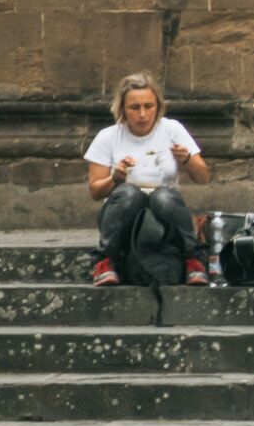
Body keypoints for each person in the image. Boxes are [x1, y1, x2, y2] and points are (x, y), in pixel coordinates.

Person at [84, 73, 211, 288]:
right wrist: (115, 178)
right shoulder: (108, 136)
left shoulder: (172, 129)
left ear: (158, 106)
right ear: (122, 109)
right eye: (134, 108)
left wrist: (187, 159)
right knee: (129, 193)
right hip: (124, 215)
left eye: (148, 106)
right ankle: (105, 261)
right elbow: (95, 191)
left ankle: (193, 259)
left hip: (164, 214)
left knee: (163, 196)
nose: (142, 114)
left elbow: (203, 177)